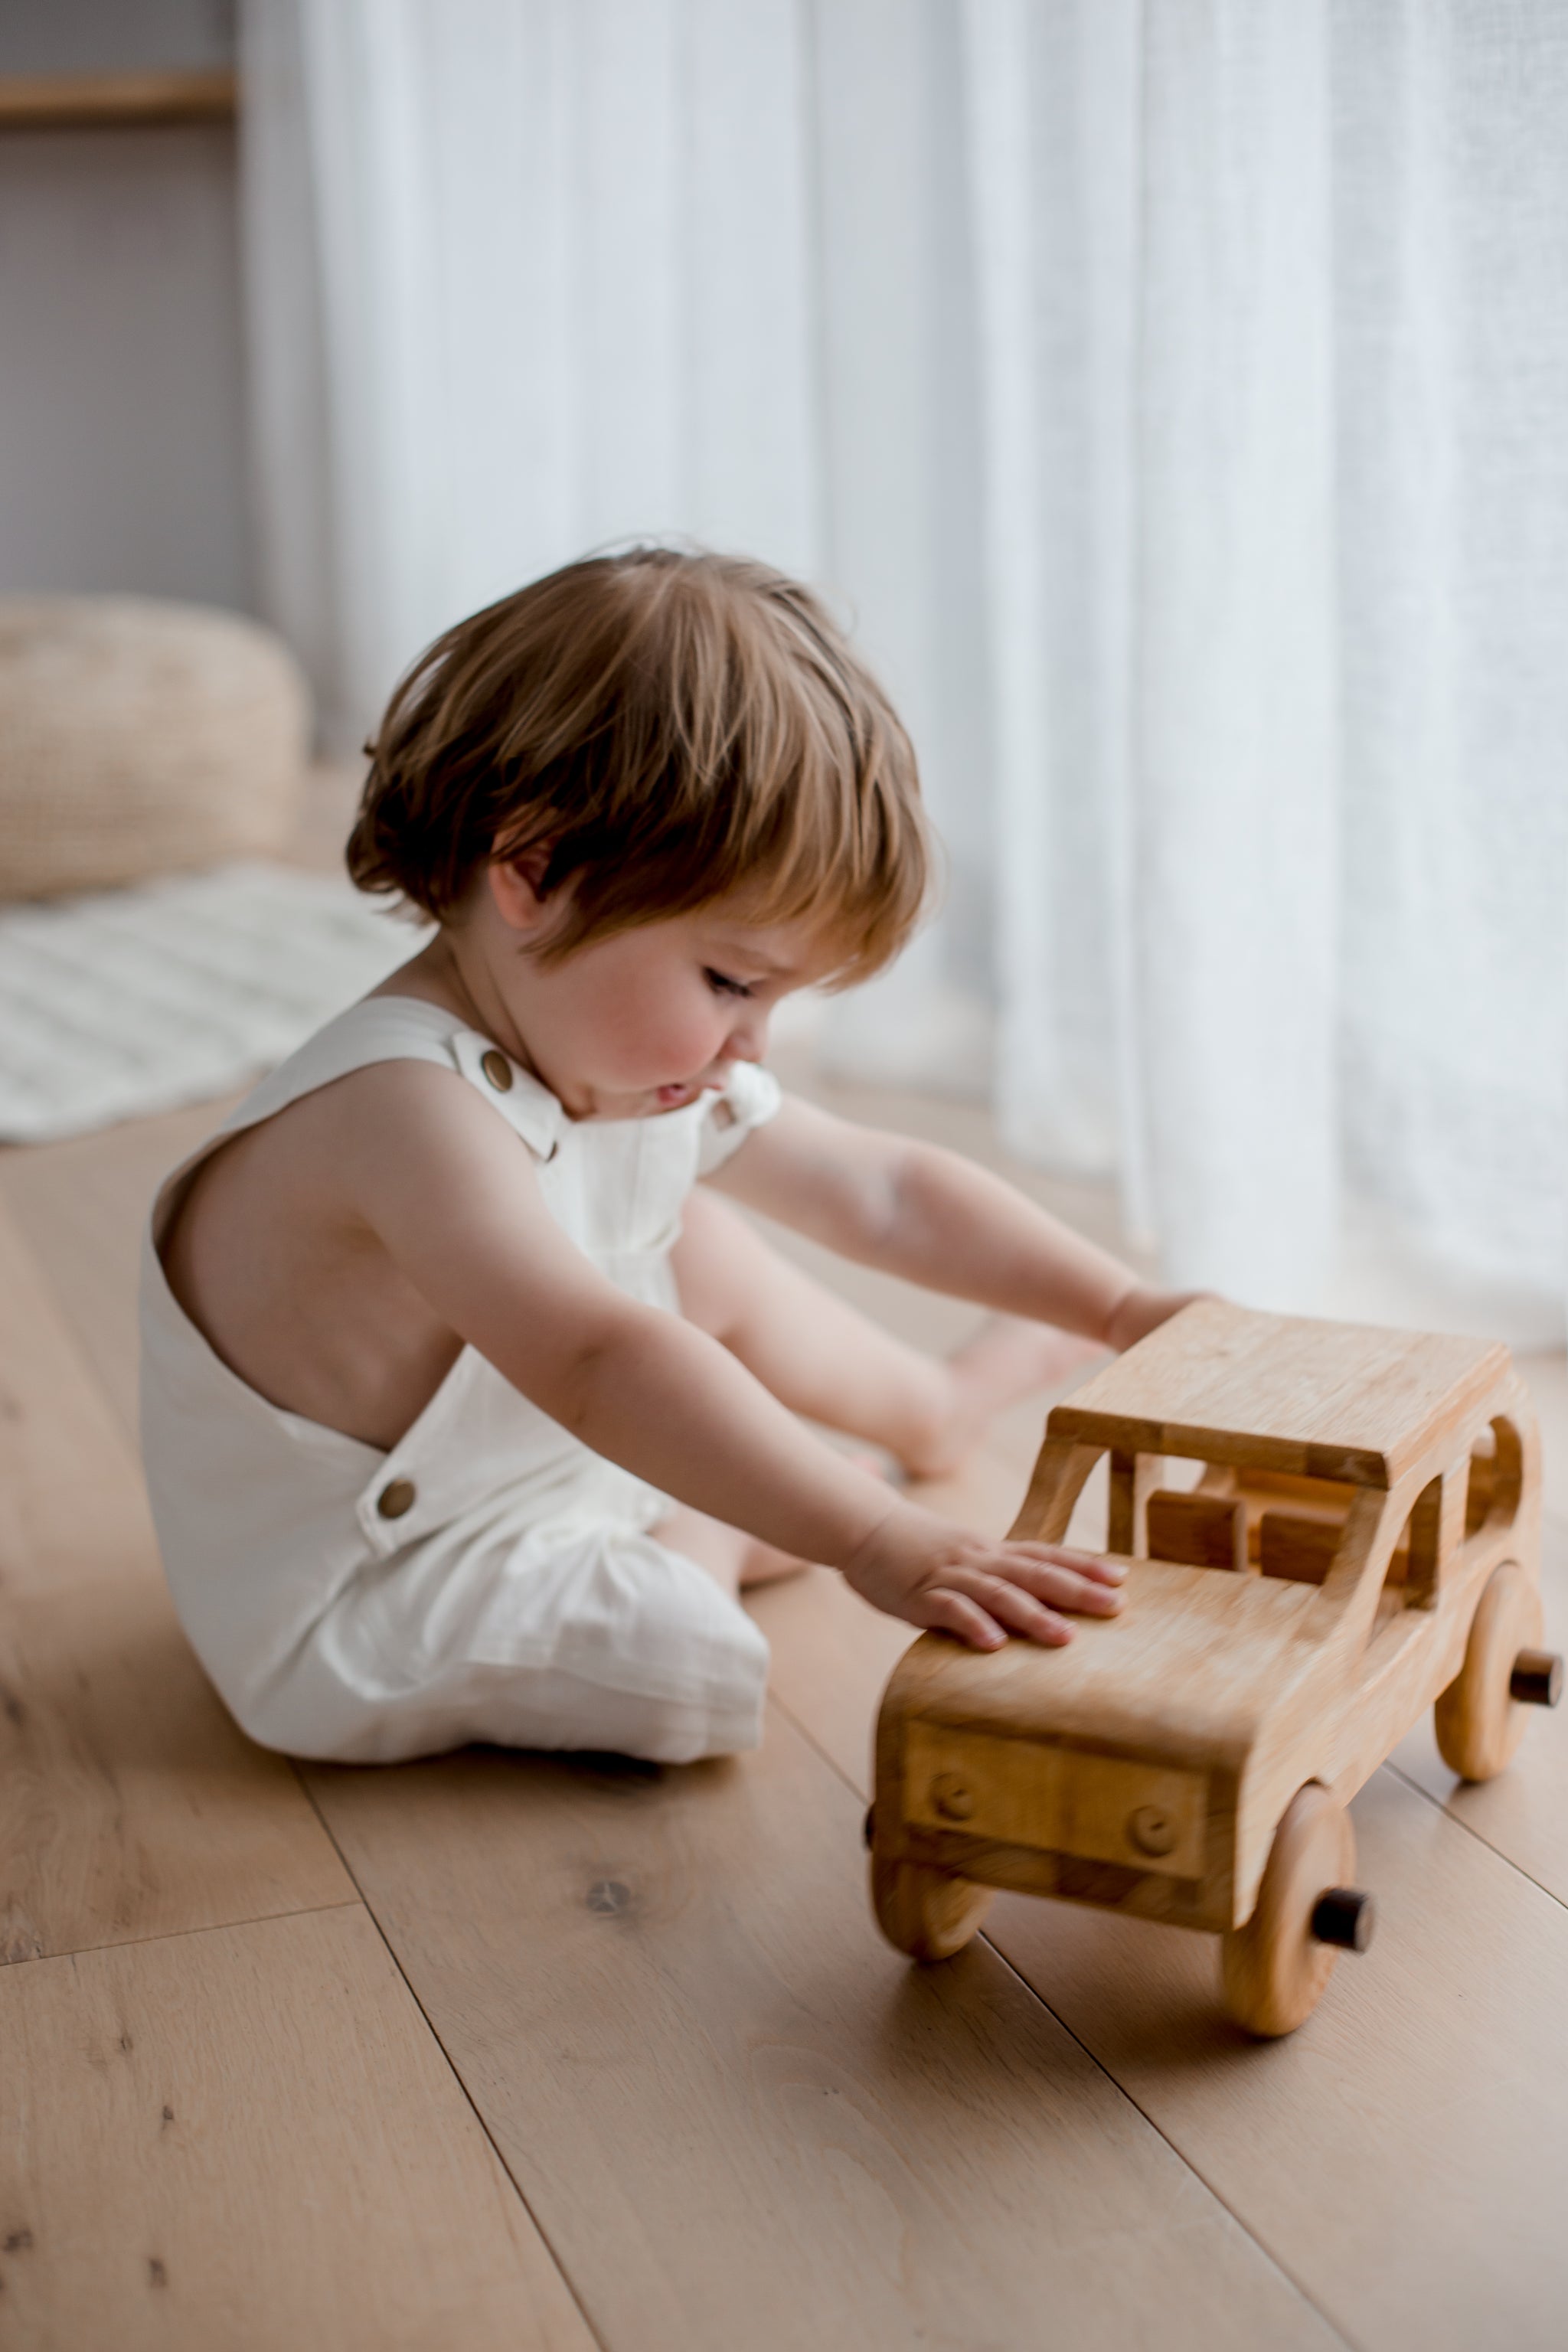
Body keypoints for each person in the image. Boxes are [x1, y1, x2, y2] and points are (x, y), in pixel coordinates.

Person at [139, 547, 1189, 1768]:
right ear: (534, 873)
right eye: (732, 980)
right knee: (684, 1663)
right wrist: (871, 1540)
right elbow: (598, 1359)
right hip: (375, 1583)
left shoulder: (595, 1037)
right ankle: (716, 1527)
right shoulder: (401, 1112)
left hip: (535, 1445)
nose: (751, 1043)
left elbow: (886, 1193)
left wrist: (1125, 1306)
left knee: (689, 1234)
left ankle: (931, 1407)